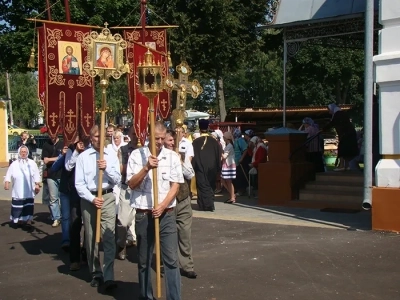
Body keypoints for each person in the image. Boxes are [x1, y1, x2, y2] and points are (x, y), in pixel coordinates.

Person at [127, 121, 183, 300]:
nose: (159, 142)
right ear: (148, 136)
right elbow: (131, 184)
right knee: (143, 261)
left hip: (166, 213)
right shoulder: (137, 155)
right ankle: (146, 296)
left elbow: (175, 186)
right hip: (144, 213)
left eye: (162, 138)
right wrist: (146, 168)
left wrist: (163, 204)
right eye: (155, 138)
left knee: (171, 260)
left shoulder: (172, 157)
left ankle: (174, 297)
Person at [75, 125, 121, 291]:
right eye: (96, 137)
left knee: (109, 235)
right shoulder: (84, 157)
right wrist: (92, 199)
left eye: (102, 137)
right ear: (91, 137)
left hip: (107, 197)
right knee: (91, 236)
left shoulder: (111, 155)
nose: (99, 140)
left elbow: (117, 179)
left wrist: (106, 168)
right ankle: (96, 272)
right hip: (89, 199)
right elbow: (79, 184)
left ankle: (109, 275)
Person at [165, 129, 197, 279]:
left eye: (173, 140)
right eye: (169, 140)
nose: (172, 143)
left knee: (185, 234)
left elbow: (190, 174)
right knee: (167, 235)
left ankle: (187, 266)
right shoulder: (160, 157)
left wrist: (181, 162)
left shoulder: (182, 155)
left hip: (183, 199)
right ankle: (166, 265)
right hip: (166, 201)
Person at [4, 146, 41, 230]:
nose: (23, 153)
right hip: (18, 189)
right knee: (18, 205)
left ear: (27, 152)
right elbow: (9, 174)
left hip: (29, 189)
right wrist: (7, 183)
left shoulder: (32, 163)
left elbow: (36, 175)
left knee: (28, 205)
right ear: (19, 153)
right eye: (22, 152)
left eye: (25, 151)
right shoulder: (14, 164)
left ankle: (28, 220)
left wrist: (37, 185)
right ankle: (19, 220)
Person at [116, 126, 138, 260]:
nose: (136, 136)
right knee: (123, 222)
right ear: (129, 134)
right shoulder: (123, 150)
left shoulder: (146, 150)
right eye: (133, 133)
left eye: (137, 134)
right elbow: (121, 169)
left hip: (142, 189)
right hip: (128, 187)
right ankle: (121, 243)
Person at [191, 119, 222, 212]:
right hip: (212, 168)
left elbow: (193, 156)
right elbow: (218, 155)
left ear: (199, 129)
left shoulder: (196, 142)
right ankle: (210, 204)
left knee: (202, 185)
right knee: (210, 185)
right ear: (208, 127)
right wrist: (218, 168)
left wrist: (193, 167)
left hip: (200, 168)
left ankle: (204, 205)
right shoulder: (214, 142)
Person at [324, 104, 359, 171]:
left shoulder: (338, 114)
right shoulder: (341, 114)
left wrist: (323, 129)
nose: (329, 112)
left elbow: (332, 123)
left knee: (343, 150)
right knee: (347, 151)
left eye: (329, 110)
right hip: (348, 135)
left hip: (346, 135)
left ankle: (342, 165)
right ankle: (347, 166)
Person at [41, 132, 64, 227]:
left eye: (53, 135)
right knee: (53, 198)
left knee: (63, 198)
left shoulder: (63, 144)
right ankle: (56, 218)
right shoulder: (46, 145)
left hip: (62, 174)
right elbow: (45, 160)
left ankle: (64, 216)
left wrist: (51, 159)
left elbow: (64, 157)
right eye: (50, 135)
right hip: (51, 175)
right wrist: (59, 157)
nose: (52, 137)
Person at [221, 131, 236, 204]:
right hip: (228, 164)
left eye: (224, 137)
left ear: (227, 138)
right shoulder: (228, 145)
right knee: (225, 180)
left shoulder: (229, 146)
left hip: (228, 165)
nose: (223, 138)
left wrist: (220, 151)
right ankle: (232, 195)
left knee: (228, 181)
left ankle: (232, 197)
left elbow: (224, 156)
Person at [233, 129, 248, 196]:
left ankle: (241, 190)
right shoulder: (235, 140)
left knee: (240, 176)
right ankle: (238, 190)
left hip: (240, 162)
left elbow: (245, 150)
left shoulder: (241, 141)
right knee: (236, 177)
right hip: (235, 162)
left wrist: (241, 158)